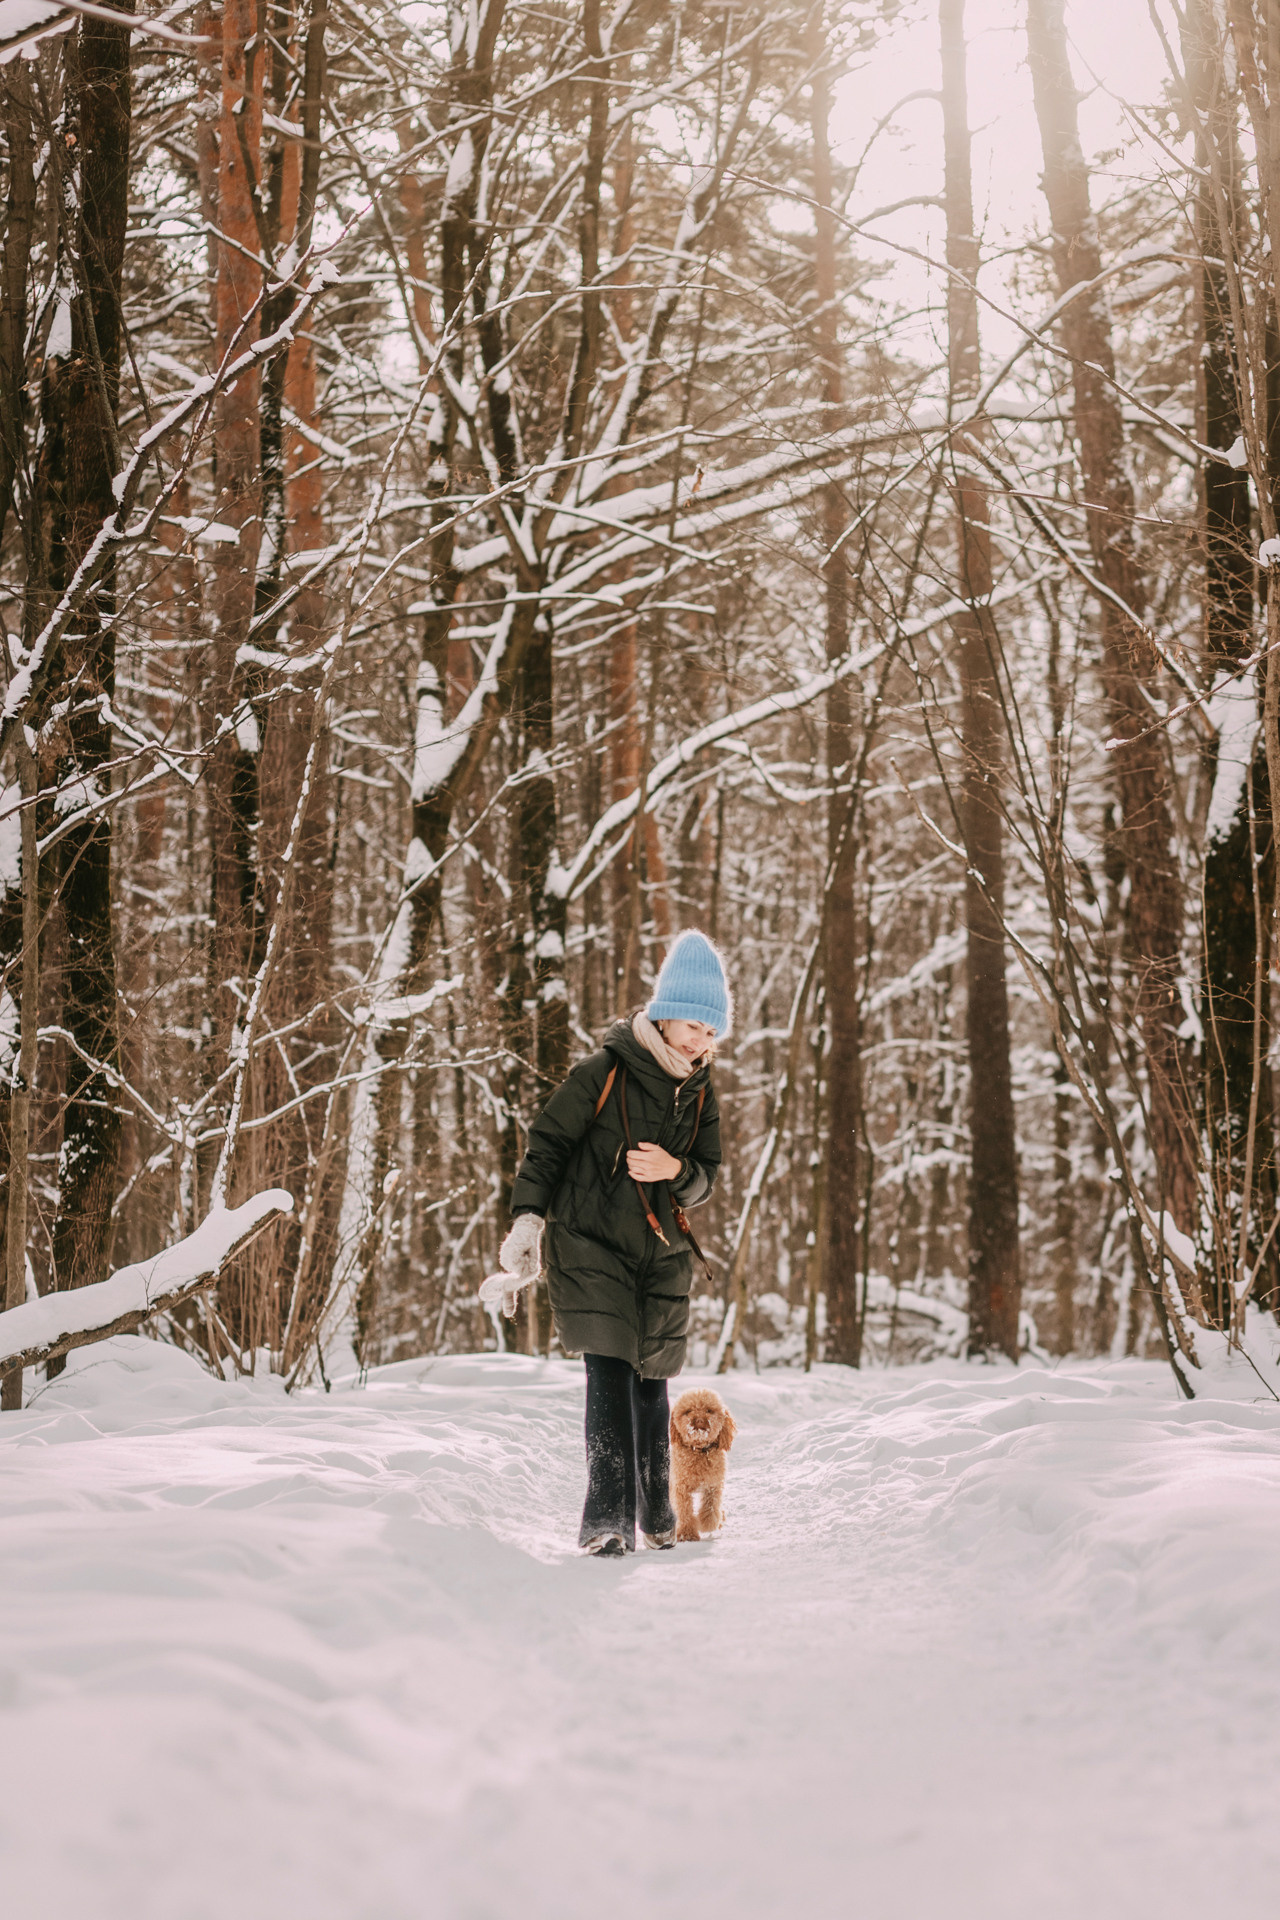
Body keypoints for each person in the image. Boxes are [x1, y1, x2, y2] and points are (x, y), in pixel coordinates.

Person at [483, 930, 729, 1555]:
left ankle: (657, 1514)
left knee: (652, 1385)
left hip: (662, 1255)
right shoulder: (605, 1070)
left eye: (712, 1031)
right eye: (694, 1025)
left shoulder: (700, 1094)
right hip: (591, 1245)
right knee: (610, 1375)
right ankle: (606, 1519)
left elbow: (706, 1177)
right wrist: (528, 1220)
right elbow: (548, 1143)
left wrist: (675, 1172)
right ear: (665, 1012)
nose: (701, 1041)